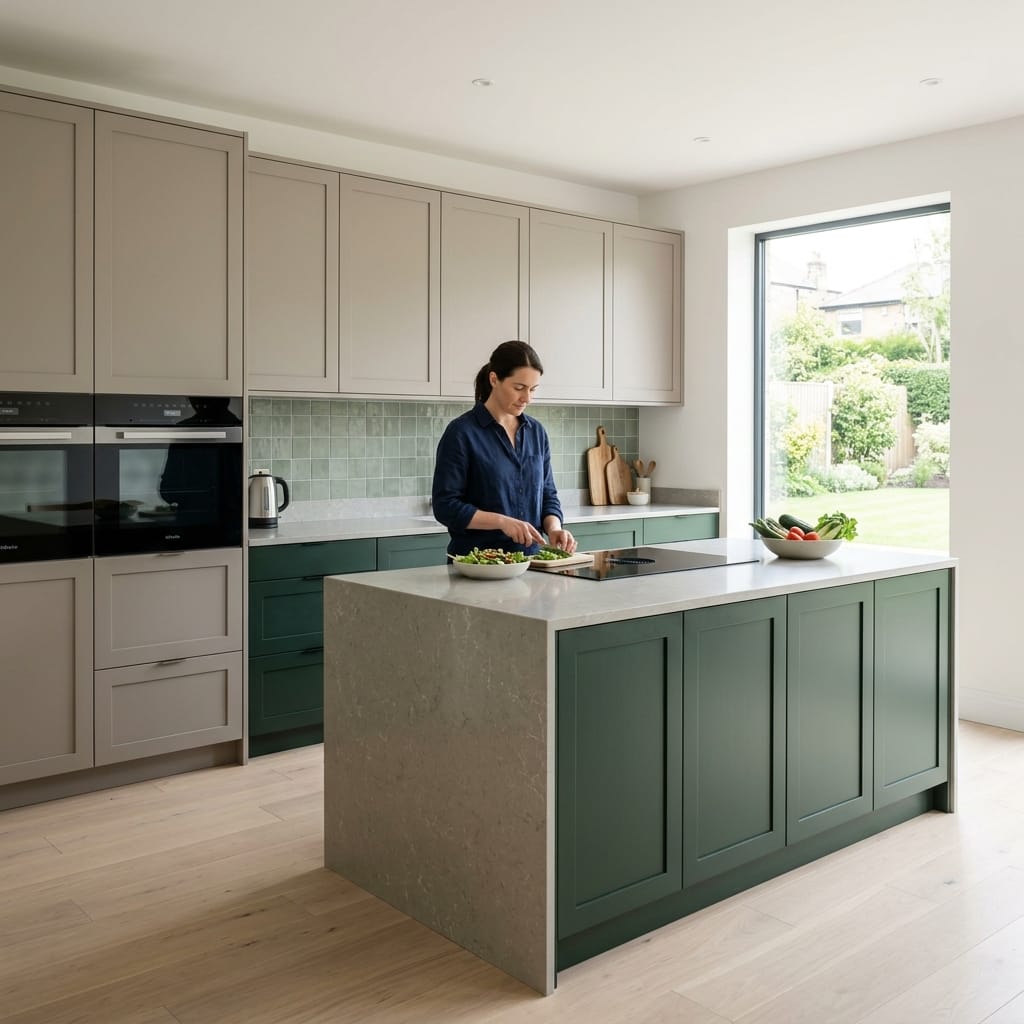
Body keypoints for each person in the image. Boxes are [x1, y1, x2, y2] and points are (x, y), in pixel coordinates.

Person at [432, 341, 577, 558]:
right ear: (494, 379)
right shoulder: (461, 433)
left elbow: (548, 495)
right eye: (519, 388)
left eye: (532, 389)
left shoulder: (536, 432)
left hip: (531, 562)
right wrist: (501, 522)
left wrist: (554, 528)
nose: (527, 398)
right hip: (477, 565)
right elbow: (445, 506)